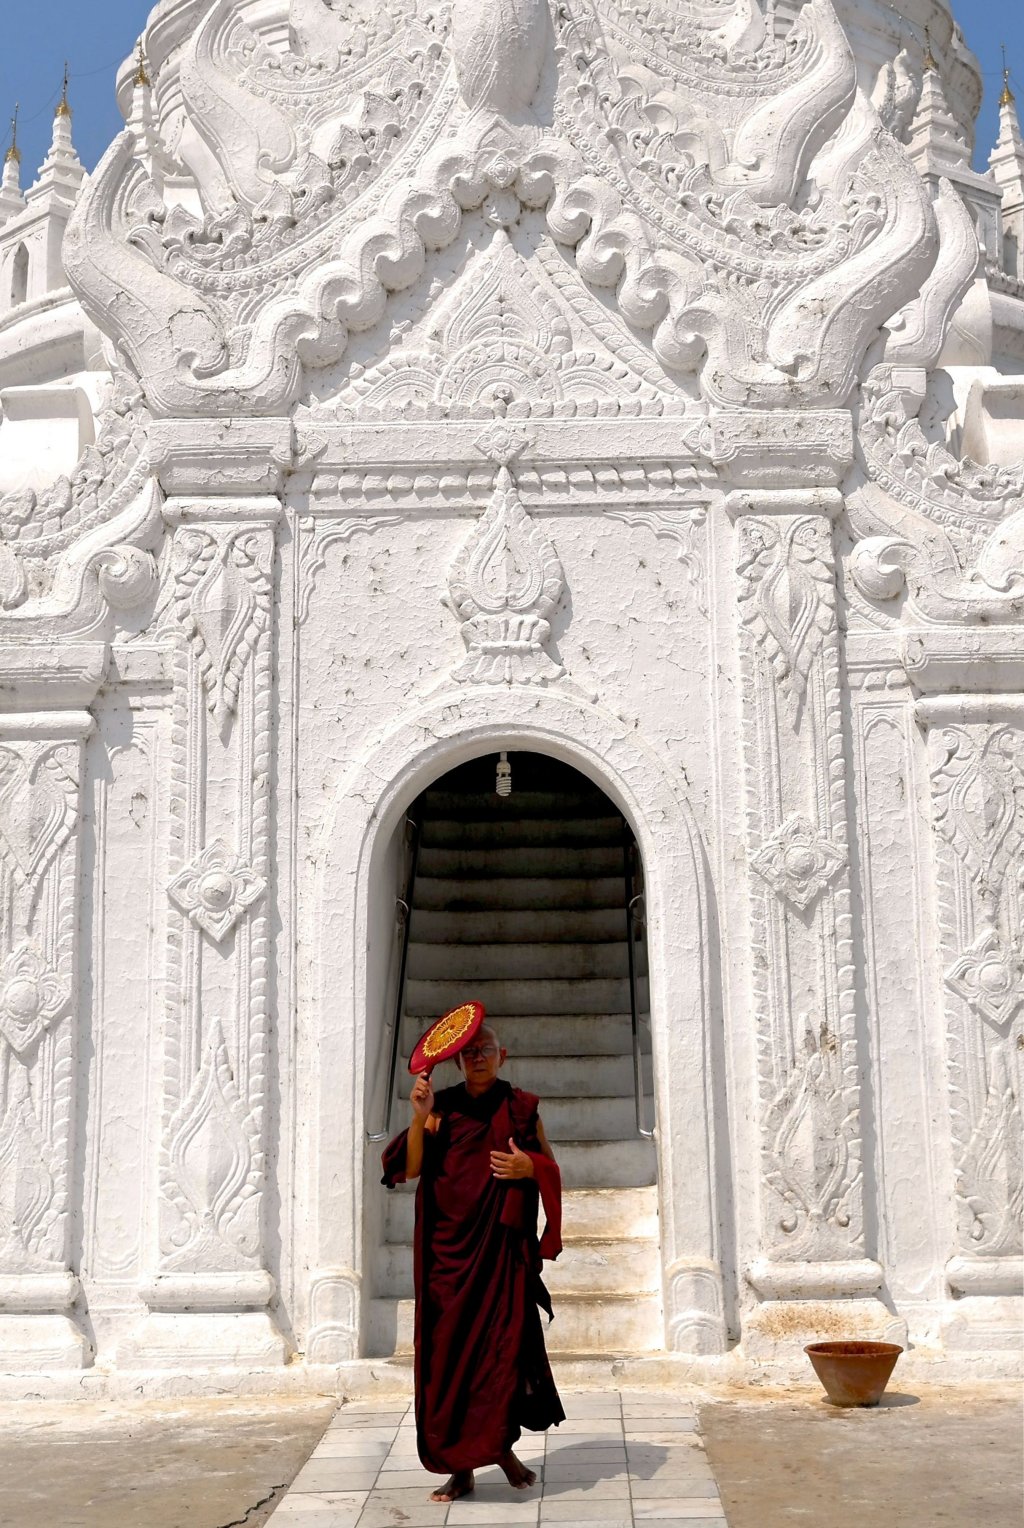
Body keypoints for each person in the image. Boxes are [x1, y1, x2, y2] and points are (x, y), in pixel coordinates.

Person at [381, 1025, 565, 1503]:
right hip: (447, 1252)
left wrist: (531, 1168)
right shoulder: (442, 1106)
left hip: (499, 1252)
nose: (478, 1058)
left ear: (501, 1055)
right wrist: (419, 1117)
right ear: (459, 1061)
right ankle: (458, 1468)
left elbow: (549, 1164)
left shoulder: (522, 1107)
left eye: (485, 1050)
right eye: (469, 1053)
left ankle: (501, 1449)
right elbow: (415, 1168)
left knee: (500, 1352)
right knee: (446, 1355)